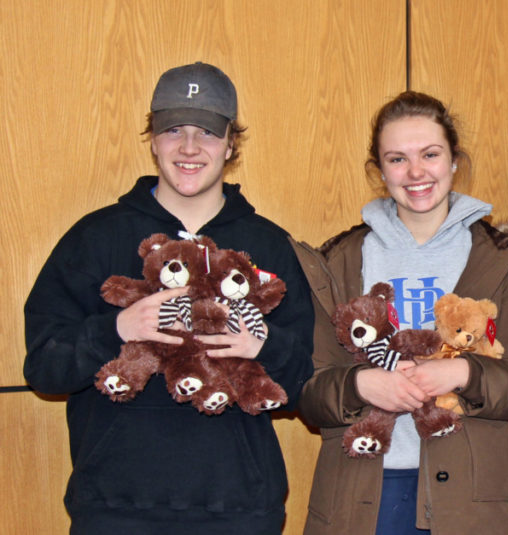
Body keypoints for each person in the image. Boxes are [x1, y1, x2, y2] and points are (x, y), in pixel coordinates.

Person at [22, 62, 314, 534]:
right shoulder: (93, 238)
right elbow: (43, 368)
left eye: (207, 132)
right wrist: (116, 328)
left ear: (231, 143)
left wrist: (264, 347)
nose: (190, 148)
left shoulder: (270, 245)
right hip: (114, 510)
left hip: (238, 510)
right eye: (173, 129)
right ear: (152, 138)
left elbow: (309, 385)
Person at [292, 91, 508, 535]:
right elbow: (307, 389)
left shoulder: (499, 263)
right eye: (397, 159)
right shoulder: (338, 262)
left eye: (430, 154)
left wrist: (465, 375)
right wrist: (359, 383)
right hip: (360, 498)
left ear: (454, 160)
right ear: (379, 170)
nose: (416, 172)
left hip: (470, 501)